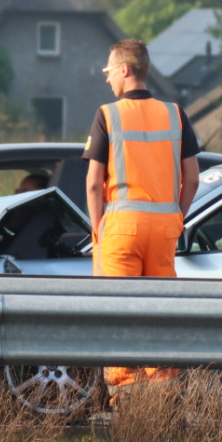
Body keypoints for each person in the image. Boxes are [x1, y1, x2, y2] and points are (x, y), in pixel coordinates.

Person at [83, 38, 201, 398]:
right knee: (160, 315)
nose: (106, 79)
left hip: (121, 229)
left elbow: (91, 184)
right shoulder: (175, 114)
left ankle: (127, 404)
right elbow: (193, 177)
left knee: (119, 315)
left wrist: (97, 229)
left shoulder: (108, 114)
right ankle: (164, 400)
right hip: (164, 229)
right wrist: (175, 216)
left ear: (124, 69)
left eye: (108, 71)